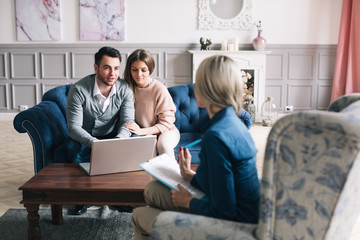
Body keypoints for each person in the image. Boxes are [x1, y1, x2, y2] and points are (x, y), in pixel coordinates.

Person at [131, 55, 261, 240]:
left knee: (139, 216)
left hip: (236, 224)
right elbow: (224, 185)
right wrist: (188, 175)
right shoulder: (231, 121)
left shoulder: (216, 136)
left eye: (198, 83)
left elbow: (225, 211)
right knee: (152, 190)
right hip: (243, 211)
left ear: (210, 89)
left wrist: (189, 203)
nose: (195, 88)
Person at [66, 46, 135, 215]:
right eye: (107, 67)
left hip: (113, 137)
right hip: (85, 136)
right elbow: (74, 127)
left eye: (116, 68)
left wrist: (119, 141)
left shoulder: (124, 88)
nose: (113, 73)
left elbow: (127, 121)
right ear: (96, 68)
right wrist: (95, 144)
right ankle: (82, 199)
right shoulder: (78, 90)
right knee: (75, 157)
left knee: (125, 159)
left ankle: (119, 198)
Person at [123, 49, 180, 159]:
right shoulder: (126, 87)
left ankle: (172, 176)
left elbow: (165, 124)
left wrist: (141, 131)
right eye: (134, 70)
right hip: (144, 132)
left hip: (166, 130)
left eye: (143, 70)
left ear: (150, 70)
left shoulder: (159, 89)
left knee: (163, 145)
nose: (139, 74)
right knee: (148, 147)